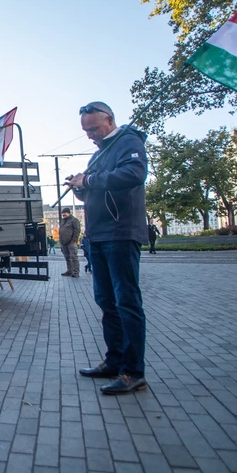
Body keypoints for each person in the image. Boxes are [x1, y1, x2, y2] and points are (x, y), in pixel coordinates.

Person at [67, 101, 149, 395]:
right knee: (106, 301)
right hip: (99, 236)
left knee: (126, 302)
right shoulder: (100, 153)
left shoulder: (128, 141)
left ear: (109, 120)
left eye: (93, 128)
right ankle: (114, 361)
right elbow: (97, 184)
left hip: (121, 233)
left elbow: (134, 175)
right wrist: (80, 185)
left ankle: (133, 372)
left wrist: (88, 179)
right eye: (85, 130)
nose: (89, 134)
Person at [59, 208, 81, 277]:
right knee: (67, 257)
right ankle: (69, 271)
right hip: (63, 242)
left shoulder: (74, 220)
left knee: (74, 258)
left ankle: (76, 272)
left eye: (64, 213)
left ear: (68, 213)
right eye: (62, 213)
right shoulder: (62, 221)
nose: (63, 215)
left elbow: (77, 231)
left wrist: (74, 240)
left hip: (71, 242)